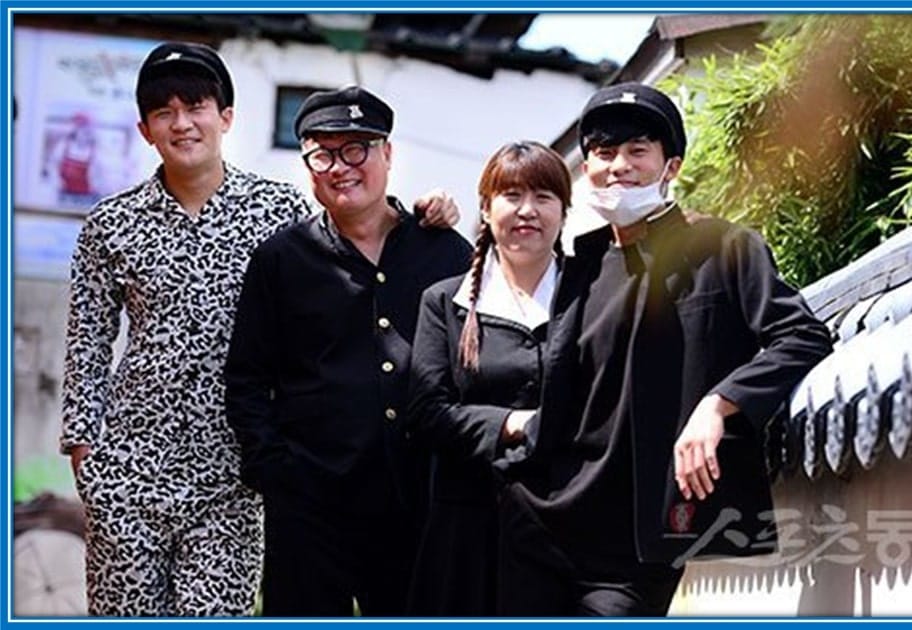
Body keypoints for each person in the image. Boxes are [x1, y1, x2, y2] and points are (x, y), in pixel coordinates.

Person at [59, 42, 458, 617]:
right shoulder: (110, 224)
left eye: (195, 106)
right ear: (145, 129)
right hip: (129, 468)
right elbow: (88, 340)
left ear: (225, 118)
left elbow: (351, 235)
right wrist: (84, 448)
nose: (182, 123)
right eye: (163, 112)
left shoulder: (276, 210)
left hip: (232, 481)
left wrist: (428, 212)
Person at [496, 82, 833, 616]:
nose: (619, 166)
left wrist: (719, 403)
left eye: (638, 151)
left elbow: (802, 336)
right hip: (541, 527)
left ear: (670, 166)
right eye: (604, 153)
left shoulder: (724, 246)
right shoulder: (578, 268)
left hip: (640, 544)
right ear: (587, 167)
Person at [224, 86, 473, 617]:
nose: (341, 166)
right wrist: (274, 471)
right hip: (311, 506)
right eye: (323, 153)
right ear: (309, 167)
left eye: (356, 148)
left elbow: (477, 359)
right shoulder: (281, 259)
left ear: (388, 153)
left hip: (419, 503)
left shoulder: (445, 249)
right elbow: (246, 377)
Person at [405, 141, 571, 615]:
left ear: (563, 209)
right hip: (467, 529)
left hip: (566, 523)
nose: (527, 211)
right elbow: (427, 411)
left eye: (543, 197)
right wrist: (514, 424)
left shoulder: (591, 292)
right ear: (485, 207)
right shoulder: (444, 302)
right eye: (511, 195)